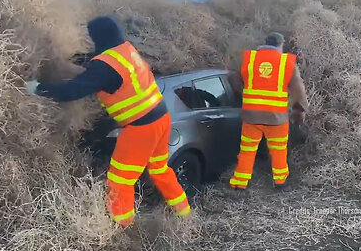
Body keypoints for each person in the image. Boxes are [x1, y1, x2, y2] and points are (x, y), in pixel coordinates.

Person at [26, 16, 191, 227]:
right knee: (159, 170)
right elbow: (103, 62)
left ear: (98, 38)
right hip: (162, 118)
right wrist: (78, 59)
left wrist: (39, 88)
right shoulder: (126, 49)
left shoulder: (105, 67)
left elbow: (72, 90)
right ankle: (184, 213)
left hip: (141, 129)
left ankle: (122, 227)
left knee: (120, 181)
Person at [229, 32, 309, 190]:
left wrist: (243, 92)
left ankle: (239, 183)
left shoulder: (249, 58)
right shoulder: (287, 62)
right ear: (281, 44)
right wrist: (300, 110)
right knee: (278, 151)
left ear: (265, 42)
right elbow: (298, 90)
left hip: (251, 117)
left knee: (247, 150)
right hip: (276, 118)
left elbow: (233, 78)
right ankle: (280, 183)